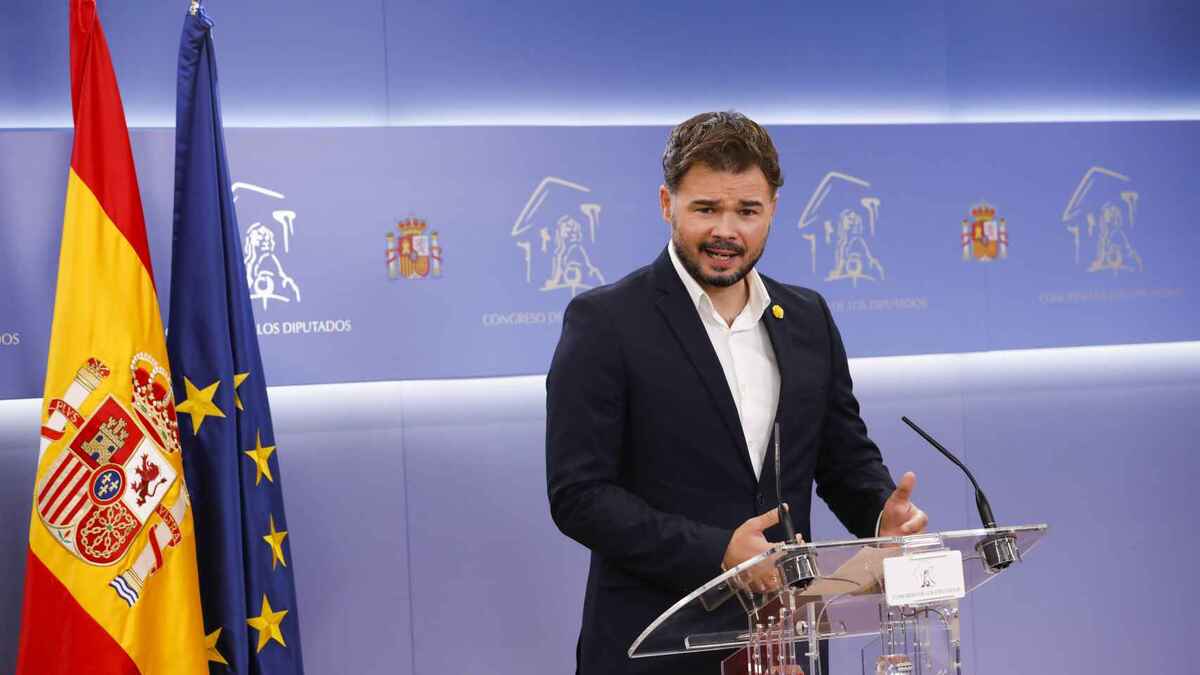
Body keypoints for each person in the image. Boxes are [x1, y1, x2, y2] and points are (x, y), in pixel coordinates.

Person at [545, 111, 928, 674]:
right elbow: (578, 495)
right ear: (665, 204)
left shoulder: (807, 317)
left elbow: (842, 459)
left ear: (772, 208)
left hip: (785, 646)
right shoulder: (606, 321)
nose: (727, 230)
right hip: (654, 650)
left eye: (747, 210)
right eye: (706, 208)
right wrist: (716, 550)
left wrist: (879, 515)